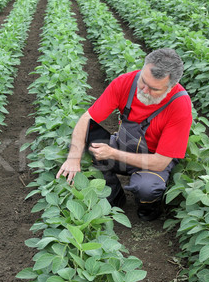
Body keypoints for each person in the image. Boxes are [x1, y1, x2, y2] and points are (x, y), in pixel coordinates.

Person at [56, 48, 192, 221]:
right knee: (79, 147)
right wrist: (73, 159)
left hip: (151, 161)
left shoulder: (180, 105)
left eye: (154, 89)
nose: (144, 90)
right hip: (123, 145)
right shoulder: (125, 83)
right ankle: (114, 195)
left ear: (171, 87)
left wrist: (112, 153)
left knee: (147, 187)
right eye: (143, 81)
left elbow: (160, 162)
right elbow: (87, 119)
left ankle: (148, 210)